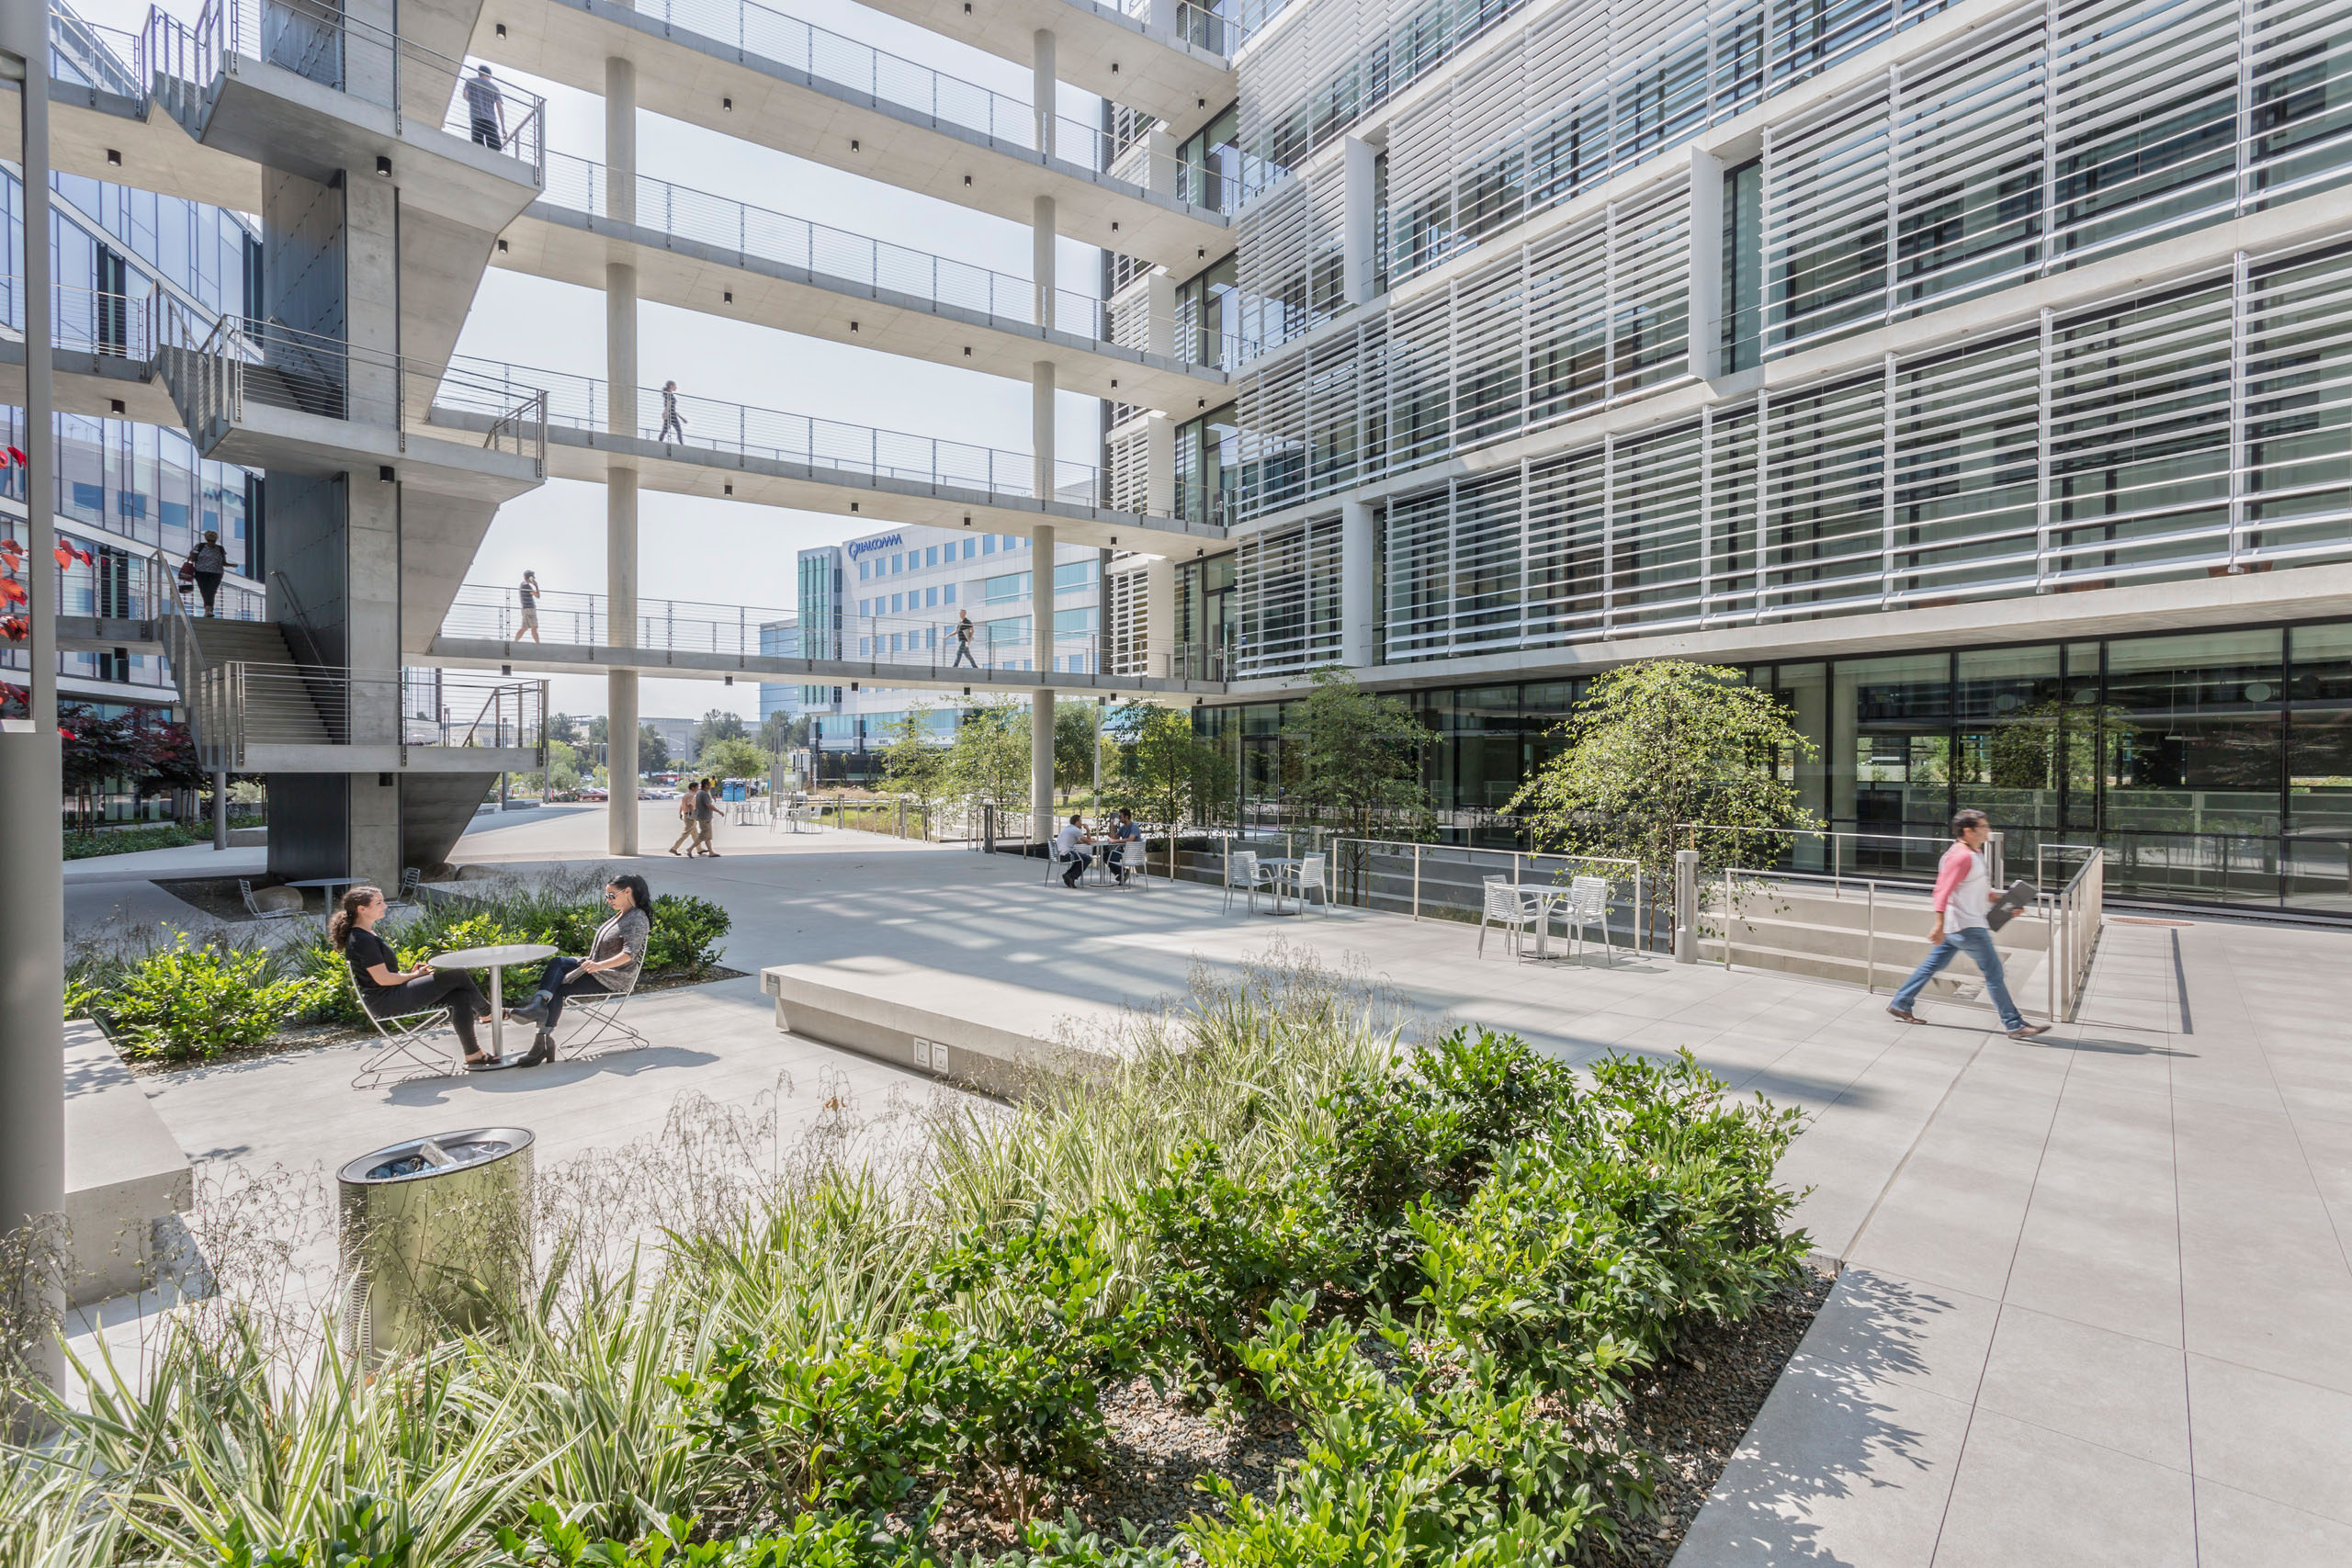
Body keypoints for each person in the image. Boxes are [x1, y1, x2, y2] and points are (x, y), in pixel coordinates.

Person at [1888, 809, 2051, 1040]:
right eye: (1983, 827)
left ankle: (1901, 1002)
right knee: (1994, 972)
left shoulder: (1975, 853)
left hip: (1962, 925)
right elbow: (1941, 891)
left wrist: (2007, 903)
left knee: (1931, 966)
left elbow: (1982, 892)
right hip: (1967, 927)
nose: (1988, 831)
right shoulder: (1960, 857)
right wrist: (1938, 925)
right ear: (1968, 830)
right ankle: (2014, 1024)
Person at [331, 885, 501, 1067]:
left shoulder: (365, 934)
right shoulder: (362, 940)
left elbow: (384, 975)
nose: (385, 906)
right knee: (456, 975)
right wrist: (414, 976)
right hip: (385, 1000)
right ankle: (488, 1012)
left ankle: (473, 1054)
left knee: (460, 996)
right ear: (361, 909)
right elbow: (383, 979)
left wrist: (412, 974)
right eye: (379, 903)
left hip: (390, 993)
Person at [504, 874, 652, 1066]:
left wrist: (599, 965)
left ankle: (541, 1041)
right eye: (606, 896)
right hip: (596, 969)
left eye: (612, 895)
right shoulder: (623, 913)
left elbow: (629, 954)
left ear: (628, 892)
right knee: (557, 963)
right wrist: (593, 964)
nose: (608, 900)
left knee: (558, 987)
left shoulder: (637, 918)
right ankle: (537, 1009)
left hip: (612, 977)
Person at [184, 530, 229, 616]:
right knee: (204, 591)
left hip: (216, 573)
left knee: (212, 591)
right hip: (201, 572)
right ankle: (208, 610)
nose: (211, 543)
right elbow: (192, 559)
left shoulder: (220, 548)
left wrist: (231, 565)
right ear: (206, 539)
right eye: (209, 540)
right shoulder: (200, 546)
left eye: (213, 541)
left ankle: (208, 610)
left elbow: (224, 563)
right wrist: (192, 555)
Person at [464, 64, 505, 151]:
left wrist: (474, 101)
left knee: (478, 147)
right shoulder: (495, 88)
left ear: (479, 73)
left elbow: (465, 95)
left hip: (476, 117)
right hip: (490, 120)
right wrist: (503, 127)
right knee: (495, 148)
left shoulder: (470, 81)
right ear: (489, 75)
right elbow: (499, 108)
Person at [1052, 811, 1094, 888]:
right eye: (1081, 821)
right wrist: (1088, 830)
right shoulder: (1076, 830)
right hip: (1065, 855)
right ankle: (1071, 876)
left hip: (1057, 854)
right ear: (1077, 822)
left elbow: (1079, 841)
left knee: (1080, 858)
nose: (1081, 823)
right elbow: (1088, 842)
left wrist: (1088, 840)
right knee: (1088, 859)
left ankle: (1069, 875)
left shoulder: (1067, 828)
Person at [1106, 807, 1142, 885]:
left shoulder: (1134, 826)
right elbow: (1114, 838)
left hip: (1134, 853)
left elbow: (1130, 840)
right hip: (1126, 852)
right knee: (1105, 855)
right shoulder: (1123, 827)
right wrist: (1112, 827)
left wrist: (1114, 841)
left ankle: (1123, 872)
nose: (1119, 818)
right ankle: (1122, 872)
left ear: (1126, 817)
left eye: (1120, 816)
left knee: (1110, 856)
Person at [668, 781, 698, 856]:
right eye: (697, 787)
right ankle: (674, 848)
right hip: (690, 816)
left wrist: (680, 814)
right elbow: (690, 805)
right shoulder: (691, 795)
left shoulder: (686, 795)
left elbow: (682, 805)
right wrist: (694, 815)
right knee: (686, 833)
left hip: (686, 815)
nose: (698, 788)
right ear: (693, 788)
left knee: (695, 834)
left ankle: (699, 849)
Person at [693, 776, 719, 855]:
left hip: (706, 818)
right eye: (710, 784)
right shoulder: (703, 794)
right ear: (706, 785)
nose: (711, 786)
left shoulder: (702, 793)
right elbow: (709, 805)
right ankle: (689, 849)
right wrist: (719, 811)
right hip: (704, 818)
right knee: (704, 836)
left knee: (707, 837)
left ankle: (711, 852)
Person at [658, 380, 687, 444]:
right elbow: (668, 403)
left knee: (665, 430)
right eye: (675, 386)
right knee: (678, 431)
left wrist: (682, 418)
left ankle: (659, 442)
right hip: (670, 415)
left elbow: (671, 408)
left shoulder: (669, 394)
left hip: (672, 414)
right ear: (671, 386)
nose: (676, 387)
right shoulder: (669, 394)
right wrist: (666, 412)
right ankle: (682, 445)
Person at [516, 570, 541, 643]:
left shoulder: (522, 584)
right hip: (530, 609)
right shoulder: (527, 586)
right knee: (534, 627)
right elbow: (537, 596)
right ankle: (538, 646)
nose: (534, 578)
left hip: (525, 609)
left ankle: (515, 642)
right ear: (530, 577)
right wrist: (536, 586)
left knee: (524, 628)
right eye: (533, 577)